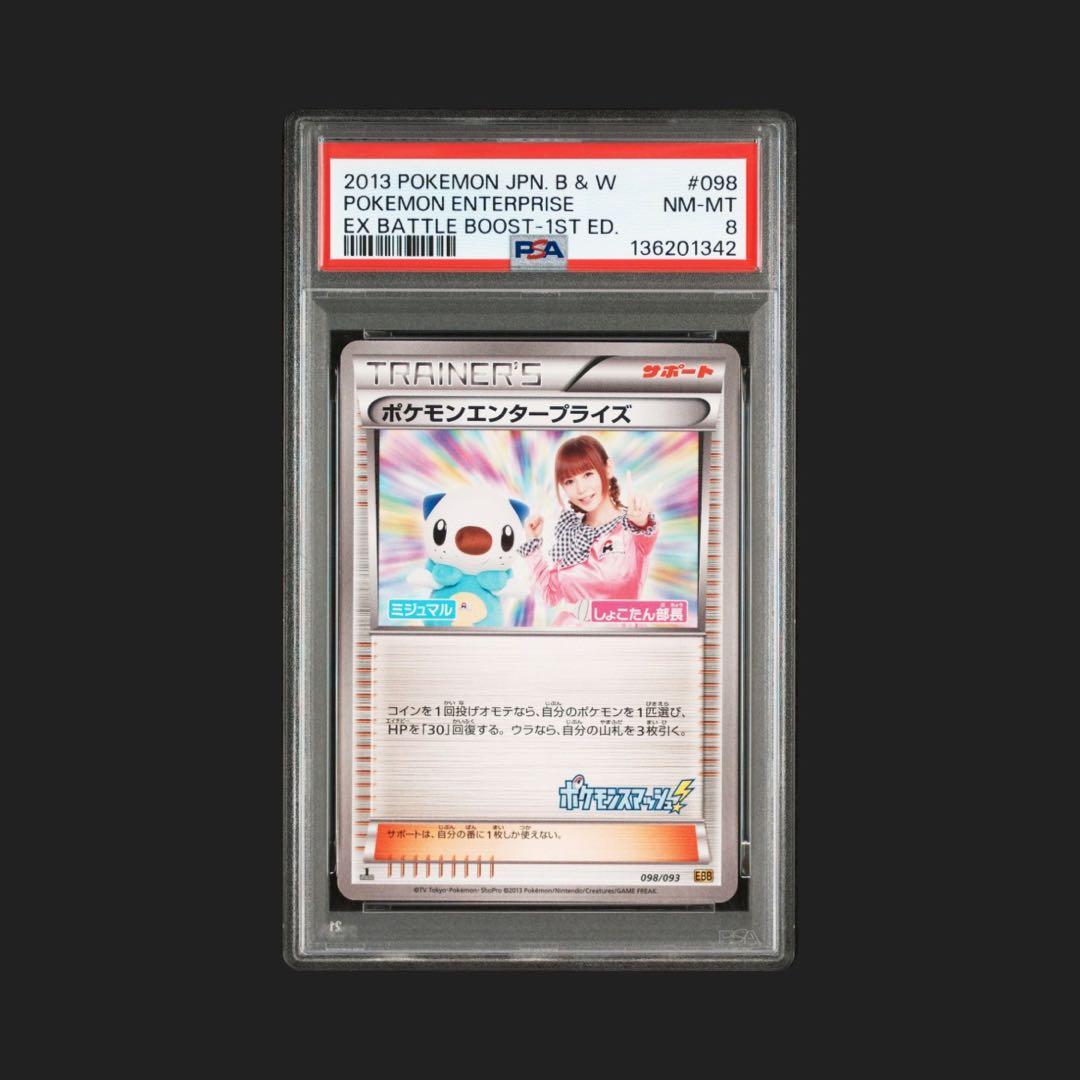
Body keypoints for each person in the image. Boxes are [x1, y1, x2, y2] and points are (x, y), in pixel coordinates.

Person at [518, 434, 657, 625]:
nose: (580, 489)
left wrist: (641, 520)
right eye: (569, 481)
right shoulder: (570, 533)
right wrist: (533, 544)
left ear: (607, 469)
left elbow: (645, 531)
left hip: (621, 638)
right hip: (568, 637)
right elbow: (551, 595)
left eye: (588, 474)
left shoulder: (632, 525)